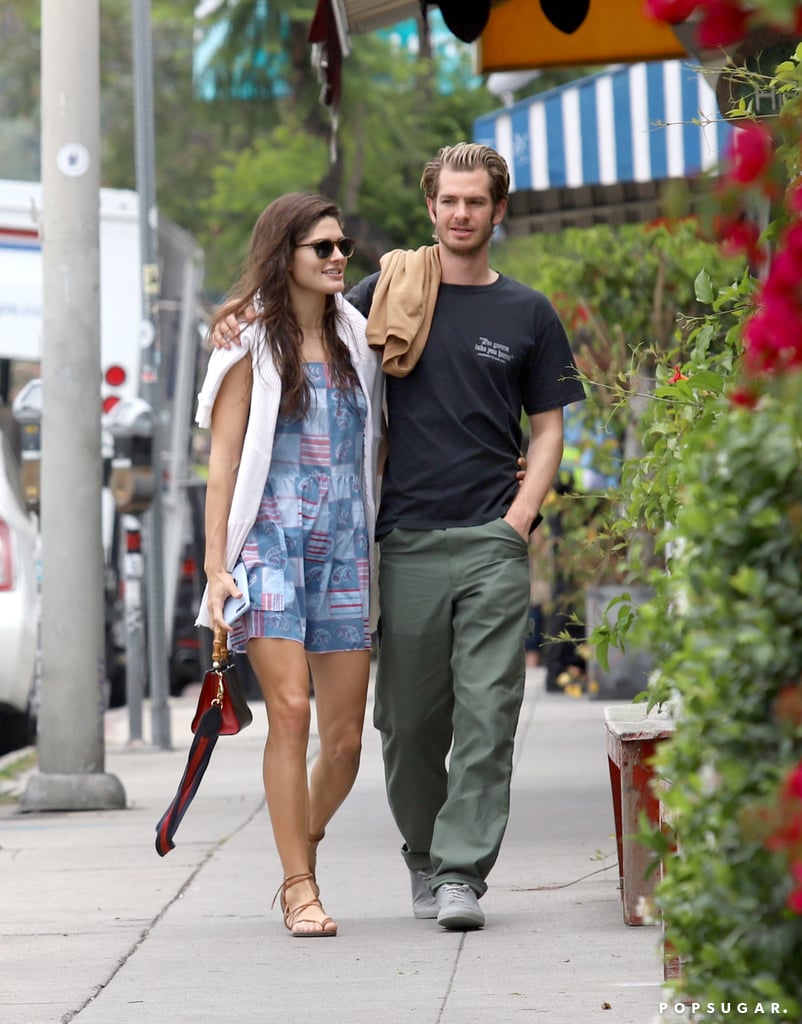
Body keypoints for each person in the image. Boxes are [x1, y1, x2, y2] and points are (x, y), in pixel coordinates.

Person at [212, 143, 585, 932]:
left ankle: (447, 872)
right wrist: (239, 312)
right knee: (375, 721)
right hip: (357, 543)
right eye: (447, 201)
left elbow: (542, 426)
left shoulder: (500, 314)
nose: (460, 214)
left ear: (497, 209)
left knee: (451, 722)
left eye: (475, 202)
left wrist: (520, 514)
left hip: (448, 541)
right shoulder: (383, 298)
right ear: (430, 208)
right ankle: (353, 869)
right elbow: (284, 334)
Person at [195, 192, 383, 938]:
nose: (340, 258)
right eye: (323, 248)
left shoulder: (357, 335)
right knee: (292, 714)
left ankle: (301, 841)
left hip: (344, 548)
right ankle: (299, 886)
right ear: (287, 256)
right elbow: (224, 464)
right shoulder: (248, 344)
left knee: (343, 743)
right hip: (270, 546)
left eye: (342, 247)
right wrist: (216, 571)